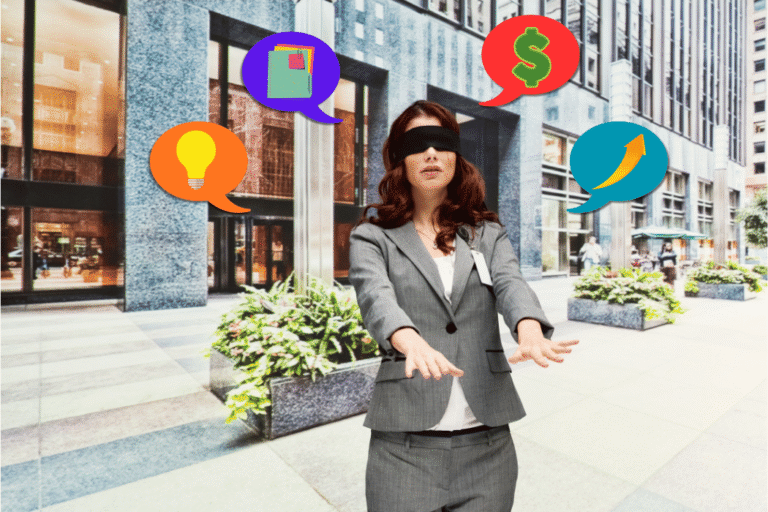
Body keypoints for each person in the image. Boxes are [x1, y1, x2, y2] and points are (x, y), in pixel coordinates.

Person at [348, 100, 579, 512]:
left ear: (456, 155)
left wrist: (528, 328)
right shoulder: (373, 236)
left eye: (441, 143)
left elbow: (511, 283)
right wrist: (409, 341)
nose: (431, 153)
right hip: (403, 448)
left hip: (488, 447)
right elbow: (374, 296)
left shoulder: (485, 233)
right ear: (400, 160)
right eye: (418, 144)